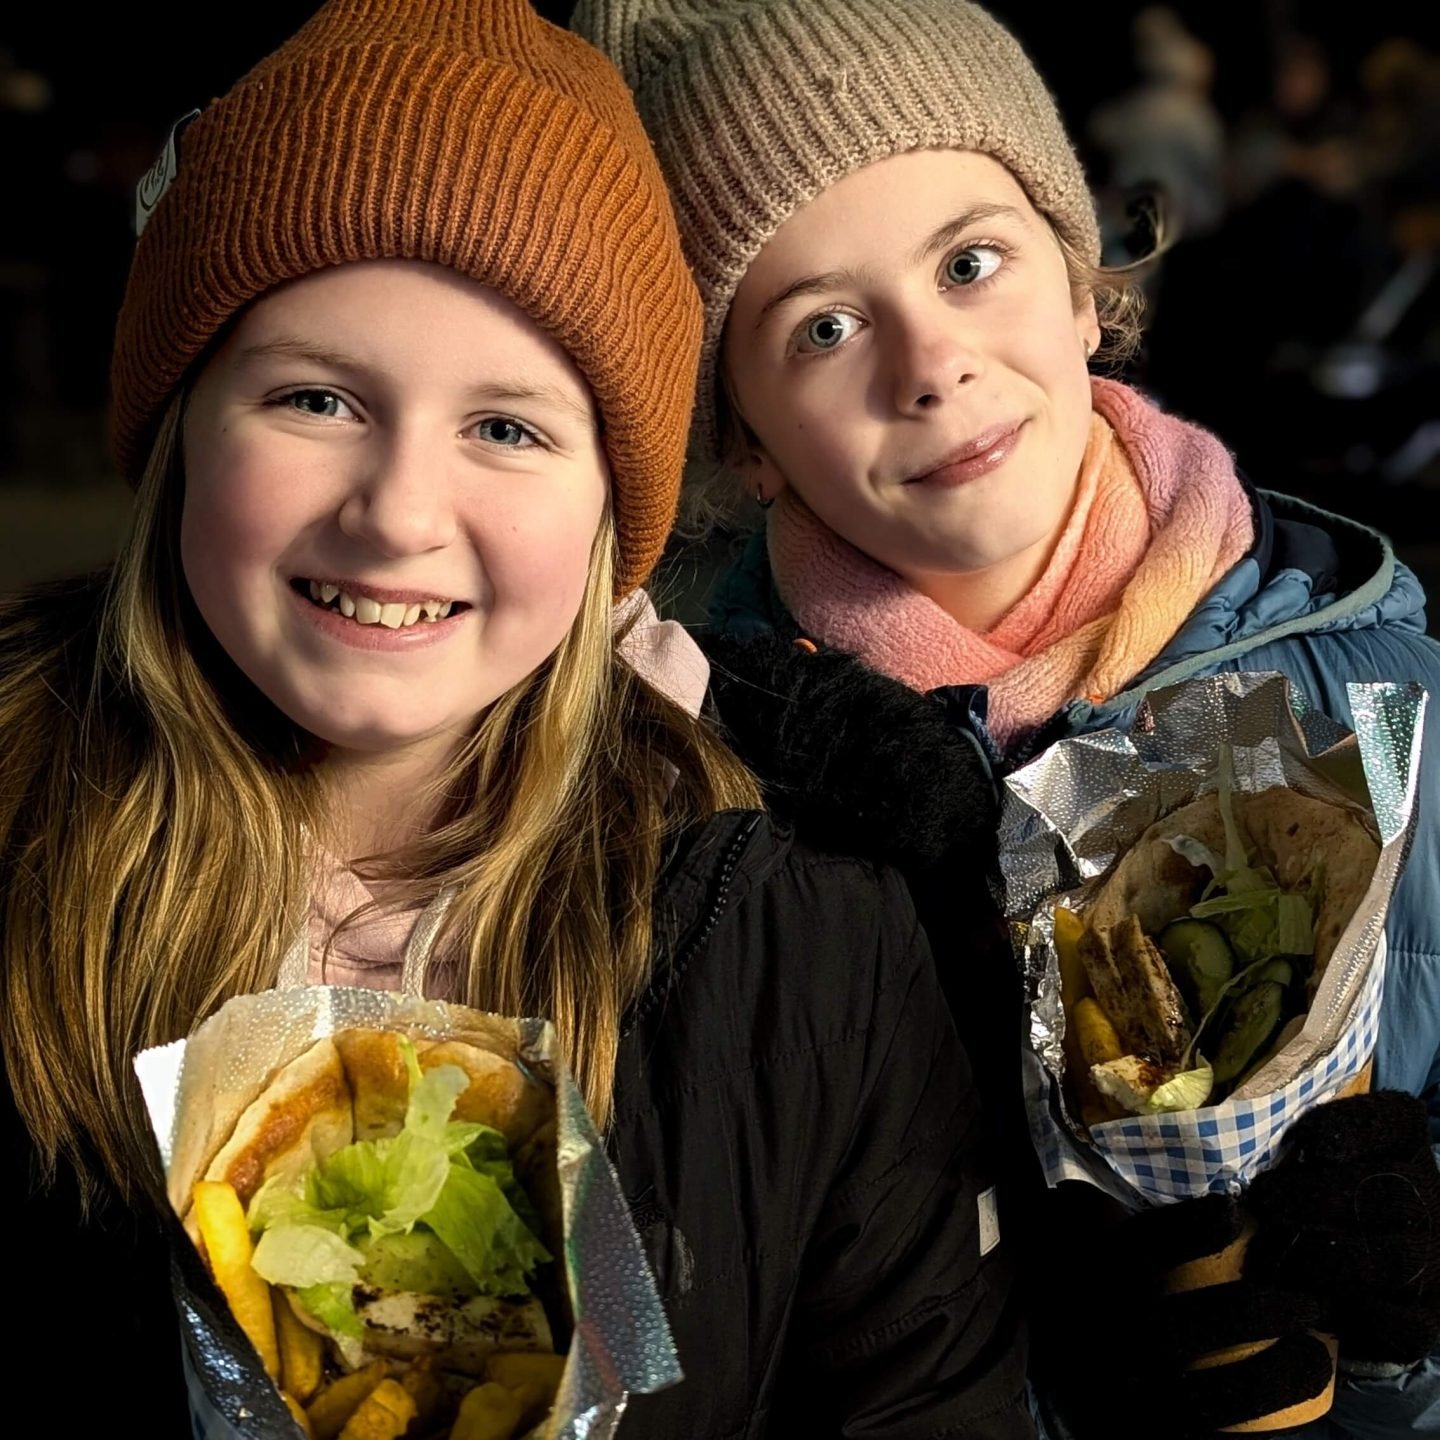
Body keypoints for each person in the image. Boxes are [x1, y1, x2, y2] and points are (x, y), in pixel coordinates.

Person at [0, 2, 1033, 1435]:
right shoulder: (17, 843)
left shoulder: (795, 944)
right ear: (181, 433)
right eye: (315, 398)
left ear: (617, 512)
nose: (400, 514)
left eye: (509, 429)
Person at [572, 1, 1440, 1435]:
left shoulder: (1379, 670)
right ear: (745, 442)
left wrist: (1406, 1323)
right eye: (825, 328)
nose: (929, 363)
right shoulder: (702, 775)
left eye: (972, 263)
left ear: (1084, 287)